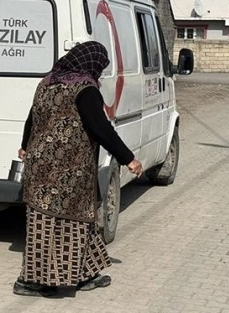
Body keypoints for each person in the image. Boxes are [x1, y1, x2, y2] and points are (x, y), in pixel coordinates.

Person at [14, 41, 144, 297]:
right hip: (68, 172)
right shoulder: (85, 89)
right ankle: (31, 282)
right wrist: (128, 158)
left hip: (40, 167)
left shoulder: (47, 82)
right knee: (58, 224)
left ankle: (84, 274)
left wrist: (24, 145)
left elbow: (33, 116)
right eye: (99, 67)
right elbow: (100, 128)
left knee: (66, 222)